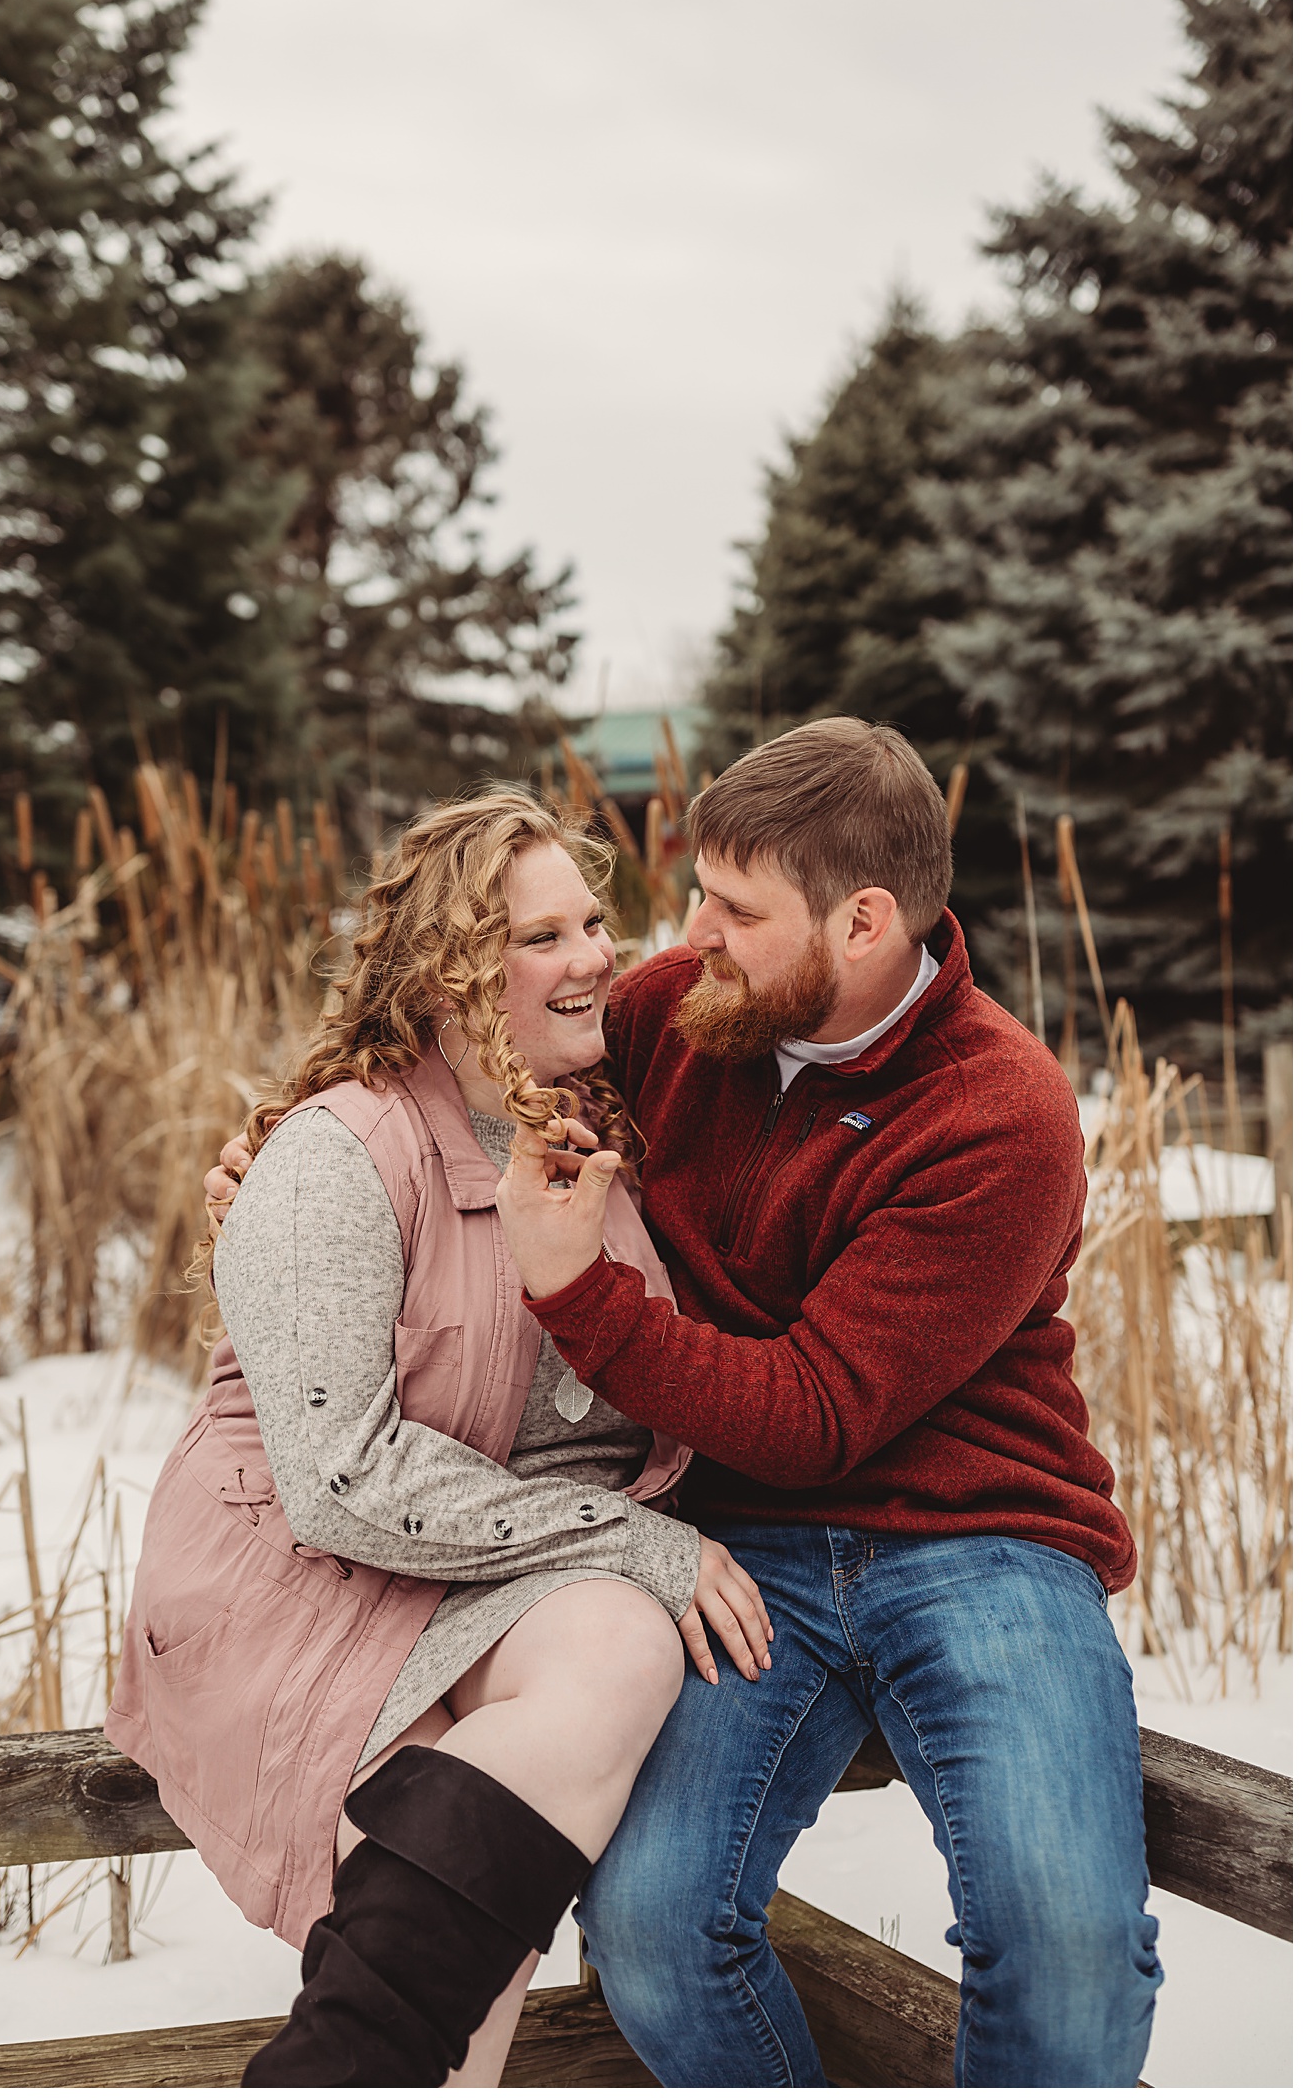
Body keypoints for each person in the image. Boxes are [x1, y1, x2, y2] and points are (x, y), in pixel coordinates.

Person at [210, 715, 1161, 2089]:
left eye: (733, 907)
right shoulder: (679, 1018)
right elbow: (457, 1071)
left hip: (980, 1540)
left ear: (866, 923)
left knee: (1065, 1937)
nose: (685, 933)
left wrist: (576, 1294)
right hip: (736, 1544)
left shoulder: (999, 1110)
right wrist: (287, 1184)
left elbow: (815, 1411)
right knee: (653, 1926)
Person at [107, 788, 770, 2090]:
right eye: (542, 937)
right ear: (451, 973)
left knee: (604, 1662)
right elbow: (343, 1481)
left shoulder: (614, 1112)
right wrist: (639, 1542)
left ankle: (338, 2065)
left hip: (497, 1570)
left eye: (595, 921)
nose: (594, 956)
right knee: (470, 1894)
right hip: (310, 1574)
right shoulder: (335, 1154)